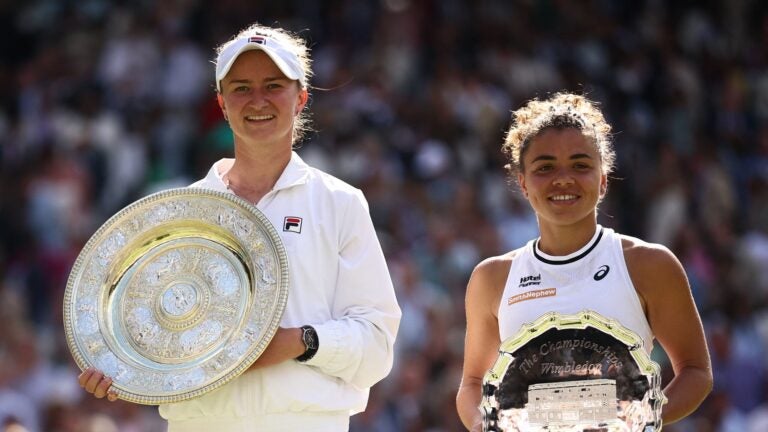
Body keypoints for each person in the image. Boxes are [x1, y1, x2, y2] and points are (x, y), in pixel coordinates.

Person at [78, 22, 401, 432]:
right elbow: (153, 330)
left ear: (300, 97)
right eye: (241, 88)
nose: (257, 100)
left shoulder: (340, 203)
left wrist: (299, 342)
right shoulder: (180, 210)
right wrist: (118, 367)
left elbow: (377, 345)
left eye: (273, 85)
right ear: (222, 103)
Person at [456, 92, 712, 431]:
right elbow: (472, 383)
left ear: (603, 180)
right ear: (523, 182)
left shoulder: (649, 265)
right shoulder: (491, 278)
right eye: (545, 167)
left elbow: (696, 372)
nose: (563, 178)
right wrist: (487, 427)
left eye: (580, 165)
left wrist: (637, 420)